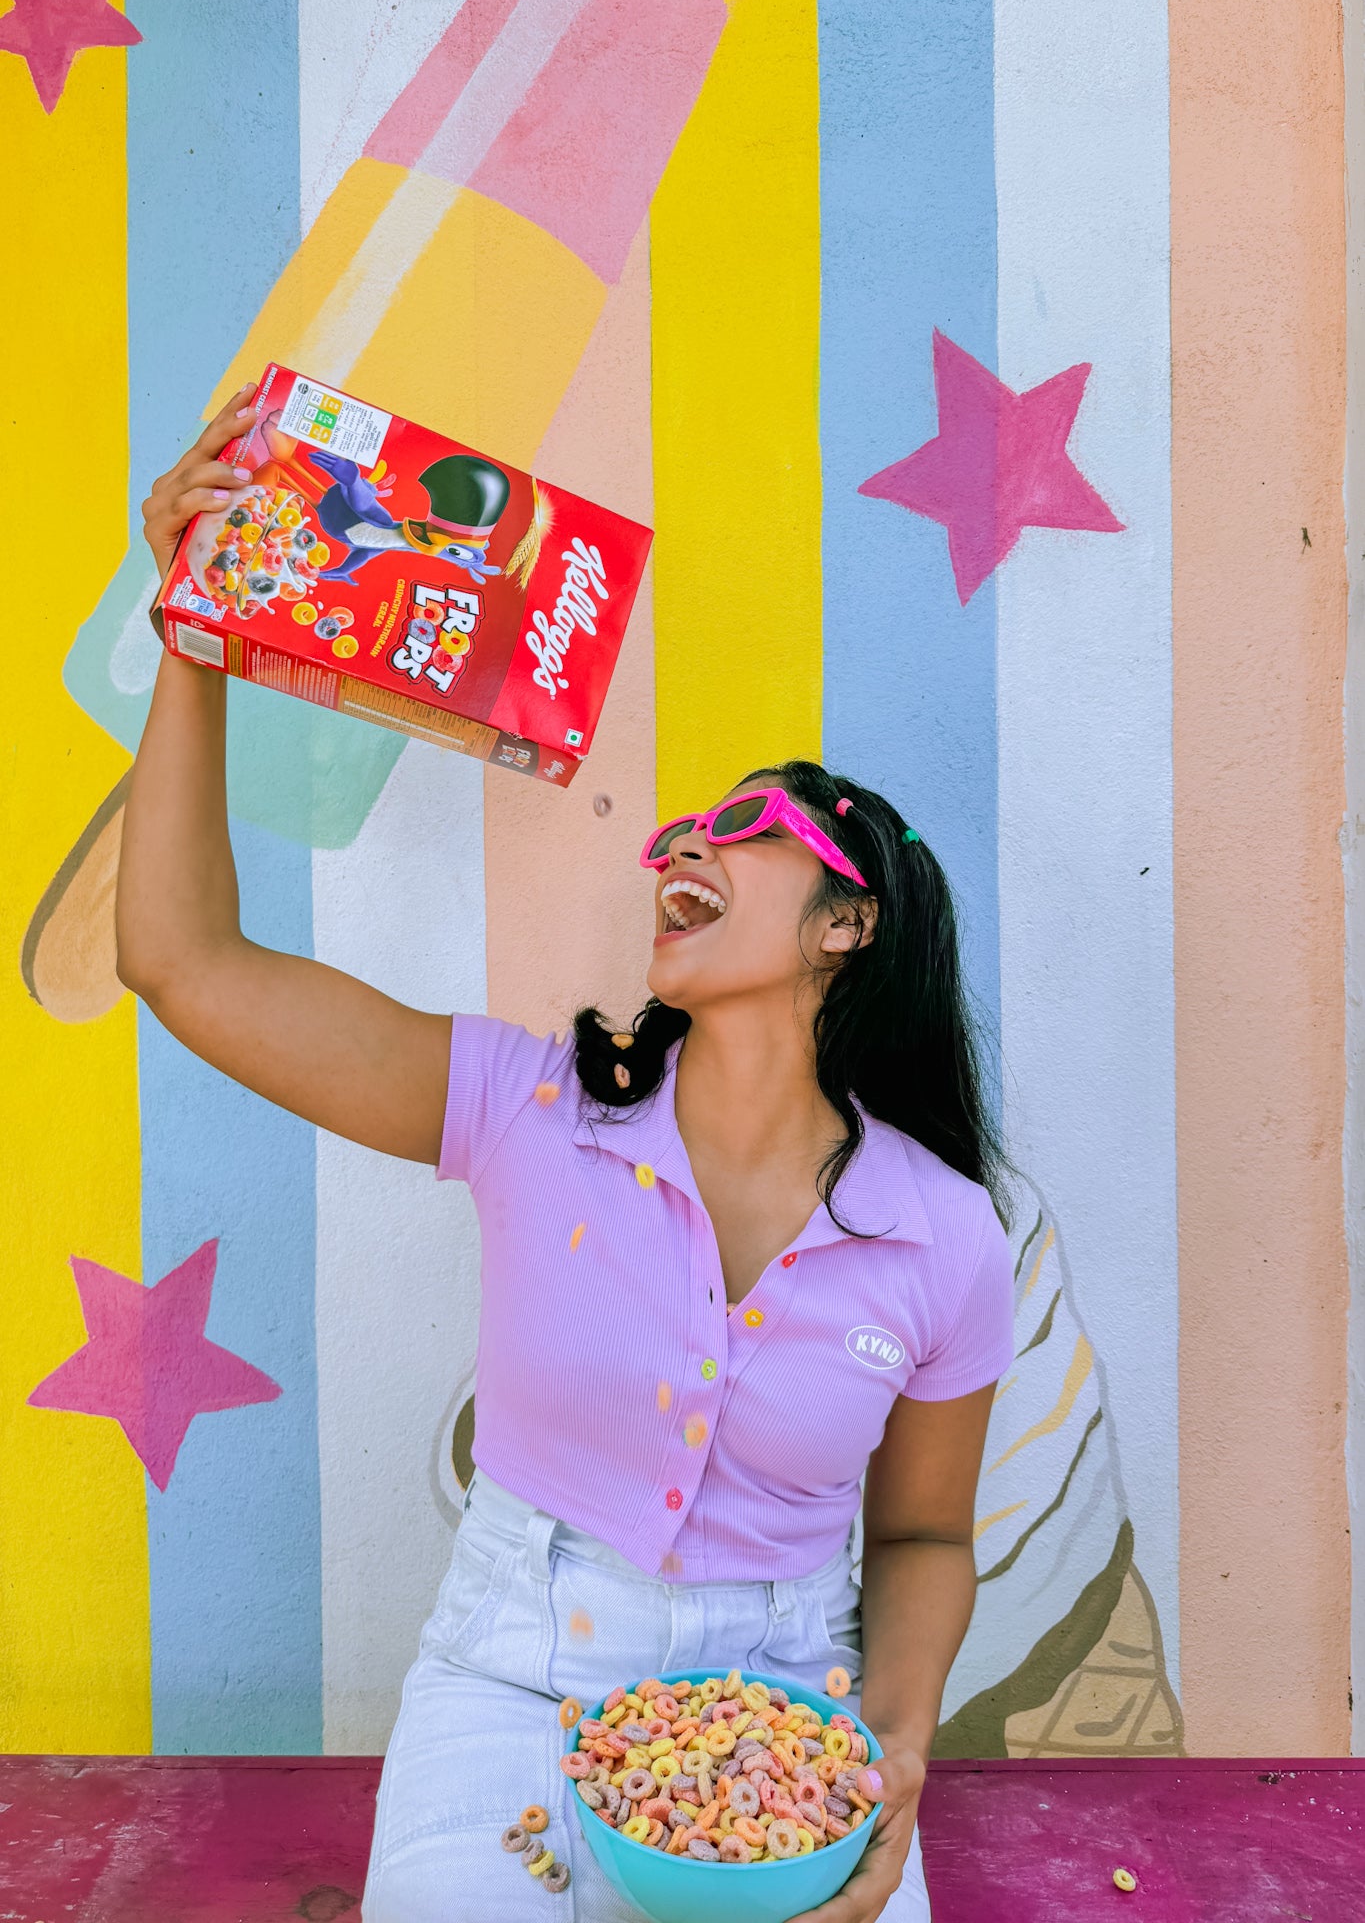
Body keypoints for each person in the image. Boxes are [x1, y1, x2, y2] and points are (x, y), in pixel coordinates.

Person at [119, 390, 1016, 1923]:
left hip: (784, 1711)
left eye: (739, 831)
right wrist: (196, 650)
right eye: (678, 827)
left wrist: (897, 1734)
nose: (678, 842)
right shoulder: (524, 1109)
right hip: (510, 1686)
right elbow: (182, 960)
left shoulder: (942, 1240)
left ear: (848, 923)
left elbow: (924, 1531)